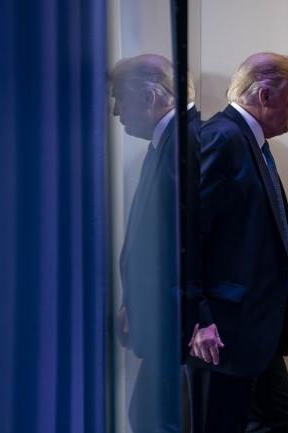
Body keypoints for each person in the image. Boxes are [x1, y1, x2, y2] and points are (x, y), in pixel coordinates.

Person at [186, 52, 288, 433]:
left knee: (275, 416)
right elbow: (185, 234)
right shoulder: (222, 137)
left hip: (253, 327)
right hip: (222, 331)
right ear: (265, 95)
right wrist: (198, 318)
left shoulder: (250, 143)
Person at [110, 53, 201, 433]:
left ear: (149, 97)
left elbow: (192, 242)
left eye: (120, 99)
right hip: (164, 319)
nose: (116, 112)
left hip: (176, 321)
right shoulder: (167, 144)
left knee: (153, 418)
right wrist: (133, 303)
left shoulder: (187, 144)